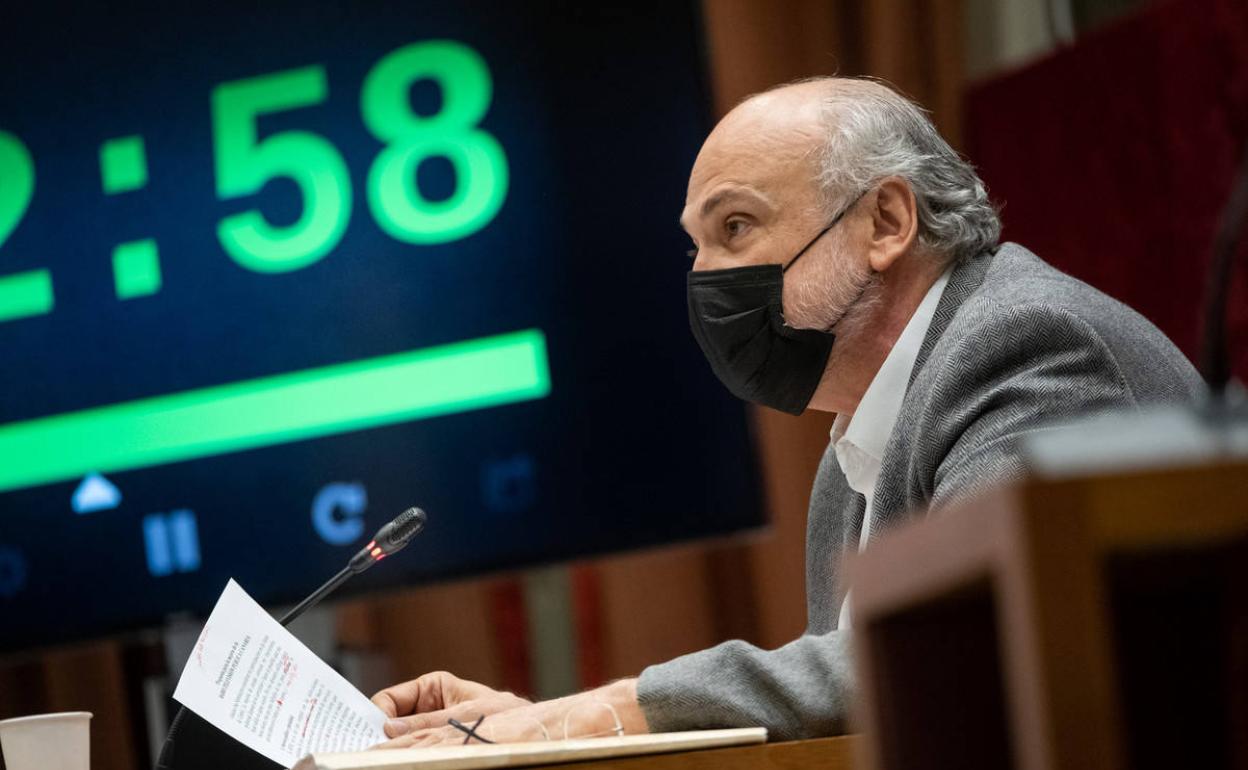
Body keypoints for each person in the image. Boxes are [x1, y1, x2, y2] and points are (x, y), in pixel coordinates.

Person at [370, 76, 1203, 747]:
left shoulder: (1024, 343)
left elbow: (964, 650)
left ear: (886, 220)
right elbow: (847, 717)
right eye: (696, 245)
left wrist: (590, 715)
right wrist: (533, 731)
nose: (704, 277)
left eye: (737, 226)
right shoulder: (850, 465)